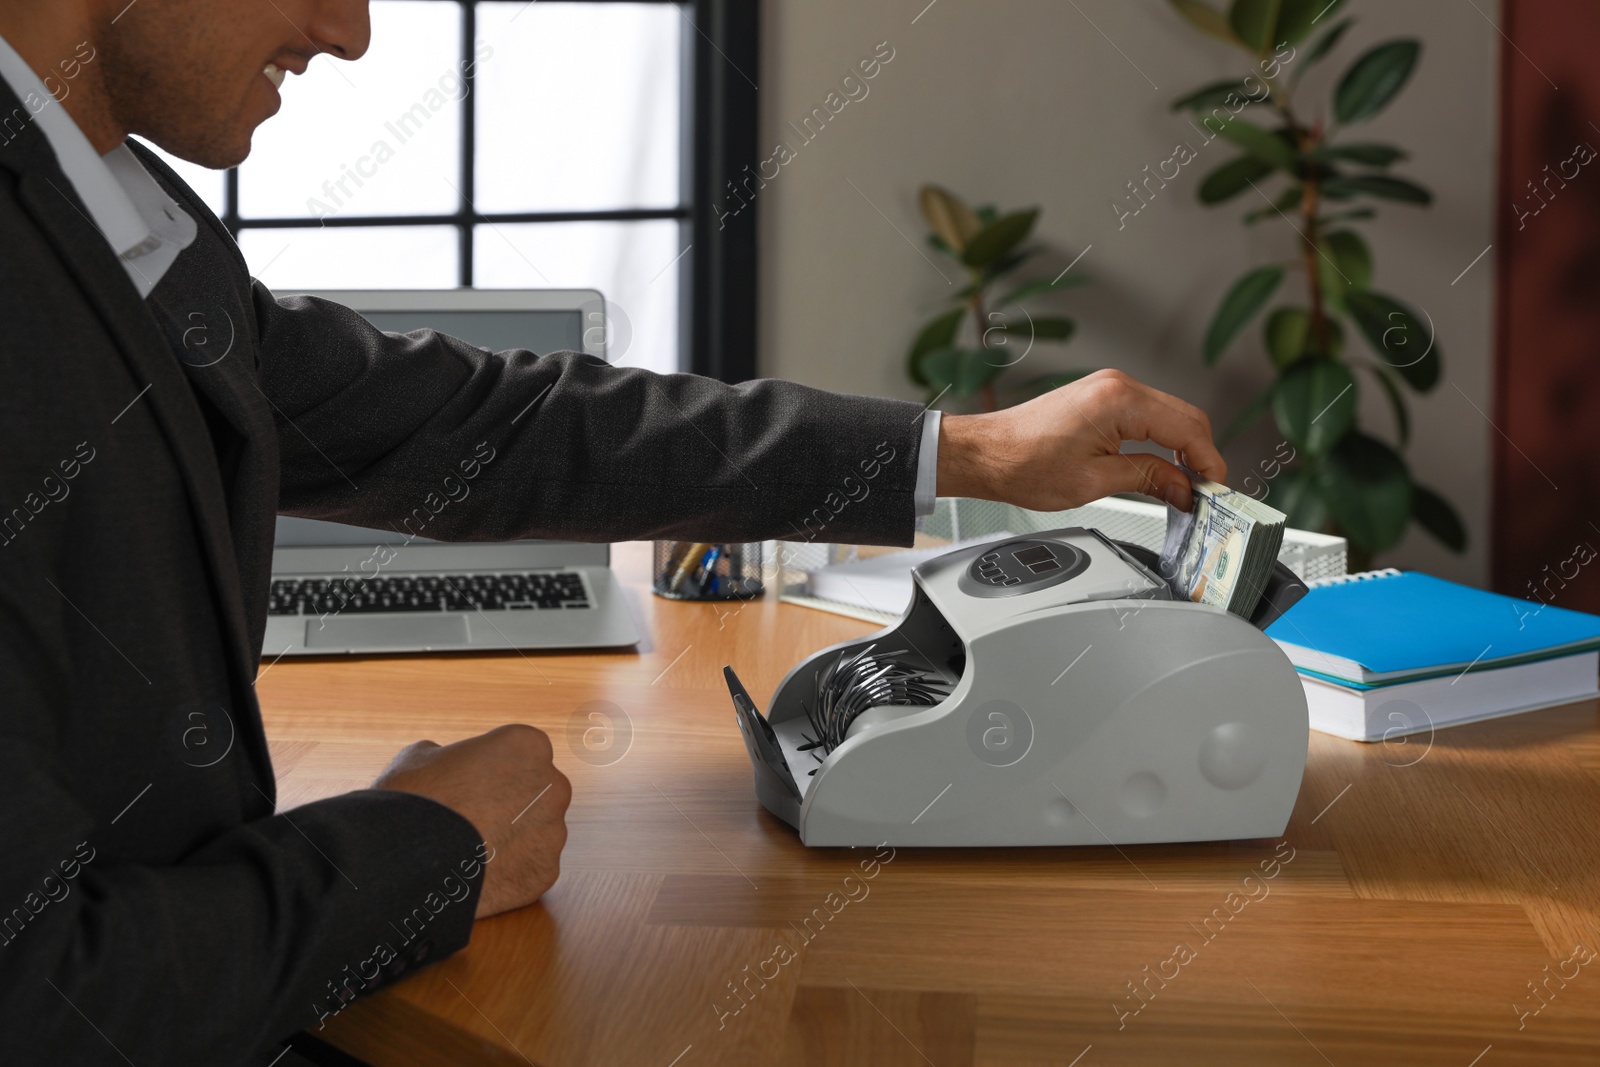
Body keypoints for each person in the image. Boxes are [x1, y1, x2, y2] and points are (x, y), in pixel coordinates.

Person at [0, 0, 1227, 1062]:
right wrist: (424, 841)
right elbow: (40, 1001)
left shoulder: (117, 208)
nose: (351, 33)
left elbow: (482, 427)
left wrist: (964, 453)